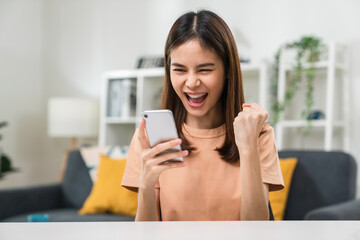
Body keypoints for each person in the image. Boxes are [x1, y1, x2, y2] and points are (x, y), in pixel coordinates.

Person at [121, 10, 284, 221]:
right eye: (179, 70)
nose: (191, 82)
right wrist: (146, 183)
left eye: (204, 70)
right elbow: (146, 235)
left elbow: (257, 232)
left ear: (227, 70)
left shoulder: (258, 134)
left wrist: (248, 146)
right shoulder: (149, 137)